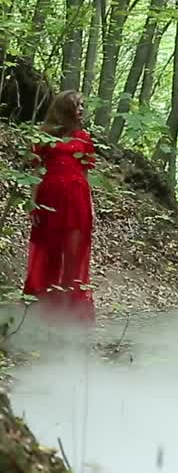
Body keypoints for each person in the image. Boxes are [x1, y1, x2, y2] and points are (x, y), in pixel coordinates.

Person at [24, 90, 96, 325]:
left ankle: (71, 310)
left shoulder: (84, 138)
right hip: (49, 200)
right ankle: (44, 307)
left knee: (74, 254)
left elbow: (85, 176)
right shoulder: (45, 136)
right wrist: (33, 203)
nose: (82, 109)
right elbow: (36, 171)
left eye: (83, 105)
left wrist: (91, 207)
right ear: (65, 108)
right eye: (77, 105)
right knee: (49, 251)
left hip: (77, 202)